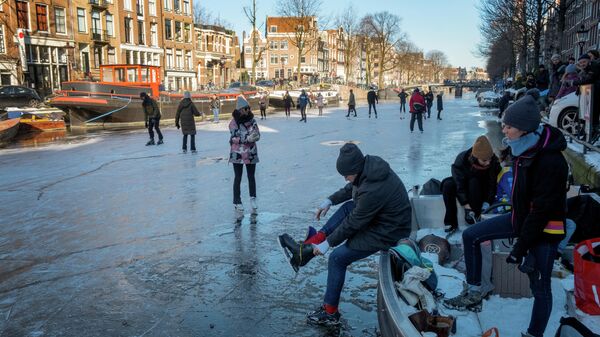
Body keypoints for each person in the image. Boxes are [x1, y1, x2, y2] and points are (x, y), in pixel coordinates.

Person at [444, 90, 568, 337]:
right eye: (503, 123)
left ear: (524, 129)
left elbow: (542, 211)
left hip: (545, 229)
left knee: (540, 287)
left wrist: (520, 248)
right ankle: (474, 290)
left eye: (509, 126)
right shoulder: (522, 148)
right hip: (521, 219)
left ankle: (534, 334)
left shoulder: (551, 162)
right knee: (471, 236)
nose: (503, 130)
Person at [277, 143, 411, 326]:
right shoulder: (368, 169)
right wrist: (330, 200)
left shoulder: (373, 189)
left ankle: (330, 312)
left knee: (337, 258)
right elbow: (352, 190)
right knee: (349, 206)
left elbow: (354, 222)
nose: (345, 179)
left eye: (346, 175)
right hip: (382, 220)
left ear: (355, 169)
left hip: (390, 231)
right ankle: (306, 249)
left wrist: (328, 244)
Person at [441, 136, 501, 233]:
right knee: (447, 185)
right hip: (464, 185)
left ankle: (476, 215)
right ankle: (450, 221)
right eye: (484, 160)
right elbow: (459, 183)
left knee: (474, 181)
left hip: (481, 187)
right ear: (475, 157)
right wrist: (466, 205)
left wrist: (486, 204)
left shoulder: (494, 162)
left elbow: (492, 186)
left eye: (490, 159)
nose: (488, 162)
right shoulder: (462, 159)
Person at [229, 96, 260, 221]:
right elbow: (234, 137)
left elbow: (257, 133)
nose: (248, 111)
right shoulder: (233, 123)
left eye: (249, 108)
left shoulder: (252, 120)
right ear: (240, 110)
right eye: (246, 109)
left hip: (251, 153)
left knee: (251, 177)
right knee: (238, 177)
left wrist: (252, 136)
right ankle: (237, 201)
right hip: (238, 154)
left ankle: (253, 198)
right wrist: (247, 138)